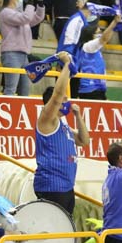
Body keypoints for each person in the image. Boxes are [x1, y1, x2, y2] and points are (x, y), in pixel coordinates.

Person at [34, 52, 90, 214]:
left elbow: (84, 141)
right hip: (52, 186)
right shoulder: (46, 119)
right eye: (64, 100)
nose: (66, 101)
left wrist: (78, 116)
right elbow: (57, 95)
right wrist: (66, 65)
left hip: (66, 186)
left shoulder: (62, 123)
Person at [0, 0, 46, 96]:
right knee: (10, 88)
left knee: (25, 91)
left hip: (24, 56)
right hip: (11, 55)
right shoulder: (5, 13)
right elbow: (26, 18)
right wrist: (29, 0)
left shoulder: (20, 15)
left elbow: (38, 17)